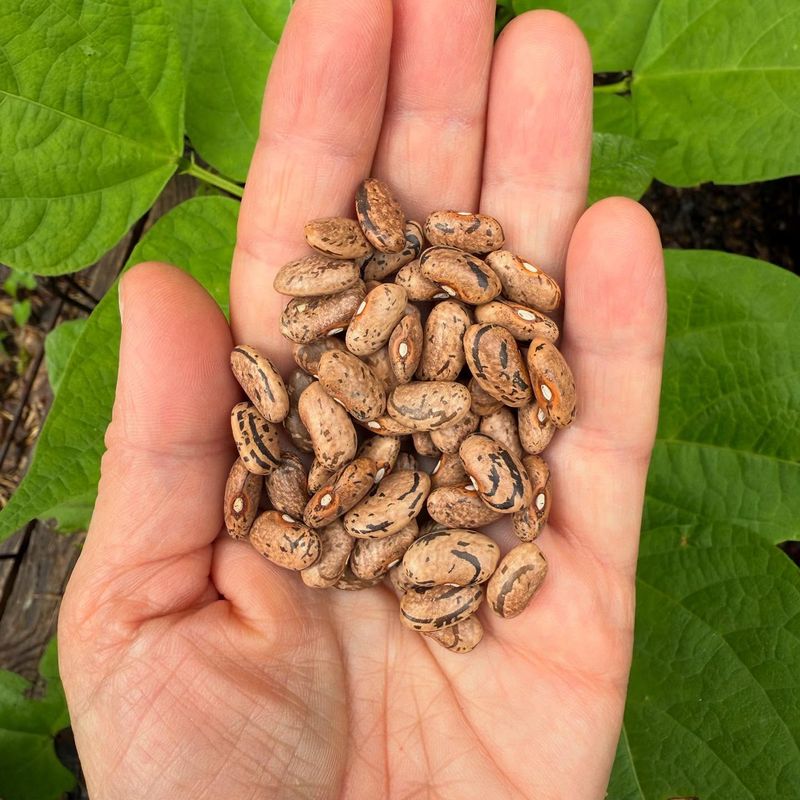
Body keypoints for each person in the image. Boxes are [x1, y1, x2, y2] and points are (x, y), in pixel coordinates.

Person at [57, 1, 666, 797]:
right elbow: (345, 463)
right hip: (389, 459)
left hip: (419, 431)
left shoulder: (450, 379)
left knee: (445, 349)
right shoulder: (338, 443)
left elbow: (439, 400)